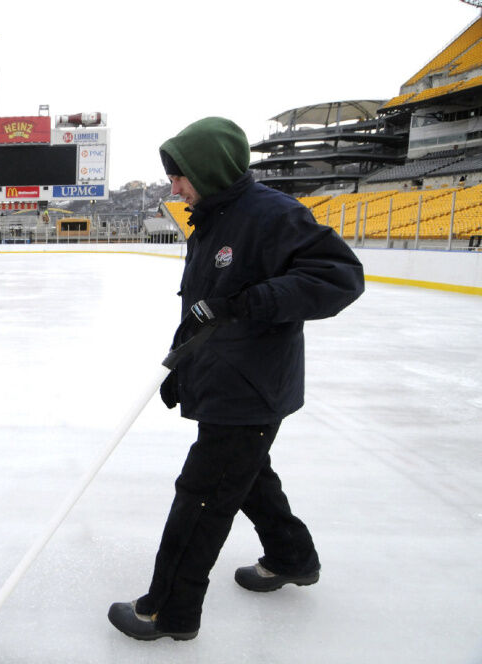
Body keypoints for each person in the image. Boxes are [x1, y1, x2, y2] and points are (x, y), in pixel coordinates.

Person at [108, 117, 364, 641]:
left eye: (181, 176)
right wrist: (183, 365)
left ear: (211, 169)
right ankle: (292, 556)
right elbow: (206, 308)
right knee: (247, 477)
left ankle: (168, 611)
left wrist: (249, 303)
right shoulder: (212, 218)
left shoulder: (272, 214)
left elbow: (340, 277)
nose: (173, 187)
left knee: (202, 496)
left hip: (252, 386)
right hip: (225, 377)